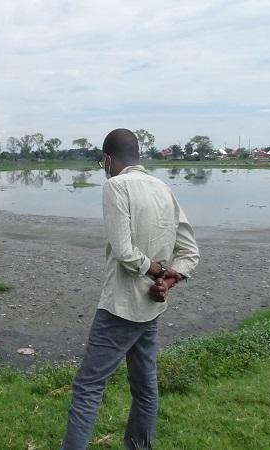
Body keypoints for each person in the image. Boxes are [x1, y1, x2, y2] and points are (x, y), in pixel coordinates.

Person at [60, 129, 199, 450]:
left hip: (120, 308)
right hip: (152, 304)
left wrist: (161, 272)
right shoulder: (163, 189)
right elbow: (190, 251)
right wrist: (169, 279)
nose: (103, 168)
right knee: (145, 386)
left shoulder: (115, 186)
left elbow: (124, 252)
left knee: (88, 387)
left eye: (102, 162)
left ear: (108, 159)